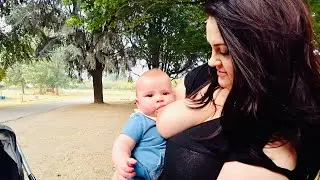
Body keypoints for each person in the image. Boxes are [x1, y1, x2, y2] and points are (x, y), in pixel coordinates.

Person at [156, 0, 320, 179]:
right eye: (211, 48)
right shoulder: (211, 76)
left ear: (265, 52)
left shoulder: (270, 143)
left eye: (224, 51)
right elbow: (165, 114)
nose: (212, 61)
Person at [112, 69, 175, 180]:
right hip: (139, 172)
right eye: (150, 95)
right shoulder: (140, 121)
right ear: (138, 103)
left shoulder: (176, 118)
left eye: (165, 93)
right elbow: (122, 143)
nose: (159, 99)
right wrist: (122, 162)